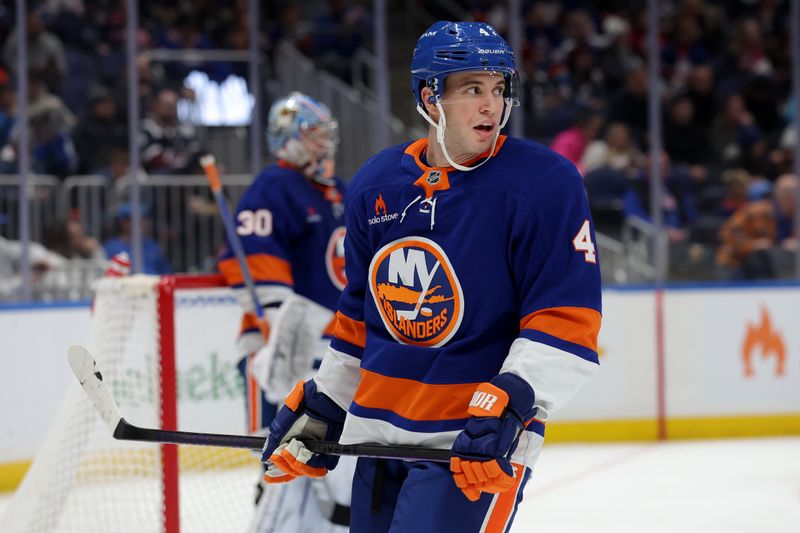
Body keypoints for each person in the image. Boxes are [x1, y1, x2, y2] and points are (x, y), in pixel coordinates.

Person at [260, 21, 602, 532]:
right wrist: (328, 397)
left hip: (469, 449)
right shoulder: (375, 186)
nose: (492, 105)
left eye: (498, 89)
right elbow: (361, 317)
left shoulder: (544, 183)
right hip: (375, 439)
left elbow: (567, 318)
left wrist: (512, 398)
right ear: (429, 97)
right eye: (471, 89)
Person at [215, 92, 352, 532]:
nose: (323, 145)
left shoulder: (337, 191)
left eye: (325, 135)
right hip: (281, 356)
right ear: (289, 139)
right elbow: (259, 279)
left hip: (332, 354)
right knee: (284, 467)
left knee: (330, 473)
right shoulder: (274, 187)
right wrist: (279, 339)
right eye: (313, 136)